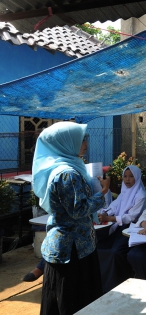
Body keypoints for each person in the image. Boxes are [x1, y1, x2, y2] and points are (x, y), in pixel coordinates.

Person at [32, 122, 110, 315]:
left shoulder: (66, 167)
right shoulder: (67, 174)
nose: (85, 144)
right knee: (72, 301)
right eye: (82, 139)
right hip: (71, 250)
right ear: (67, 142)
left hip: (75, 246)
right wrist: (103, 192)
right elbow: (79, 209)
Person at [96, 165, 146, 293]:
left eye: (131, 176)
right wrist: (104, 213)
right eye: (125, 176)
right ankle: (100, 282)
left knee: (115, 252)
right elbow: (114, 206)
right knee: (98, 245)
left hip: (132, 230)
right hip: (118, 227)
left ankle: (116, 283)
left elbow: (131, 217)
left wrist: (109, 219)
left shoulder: (141, 196)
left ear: (137, 178)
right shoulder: (125, 191)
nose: (127, 179)